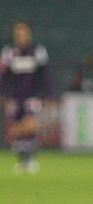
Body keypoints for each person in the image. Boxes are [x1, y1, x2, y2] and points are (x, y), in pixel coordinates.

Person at [0, 21, 53, 174]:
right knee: (17, 128)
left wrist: (48, 93)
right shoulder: (9, 51)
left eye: (23, 31)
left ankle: (30, 158)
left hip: (32, 95)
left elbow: (45, 74)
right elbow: (3, 75)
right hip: (14, 97)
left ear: (28, 33)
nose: (20, 34)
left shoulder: (37, 50)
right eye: (18, 32)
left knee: (29, 125)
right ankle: (22, 159)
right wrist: (2, 93)